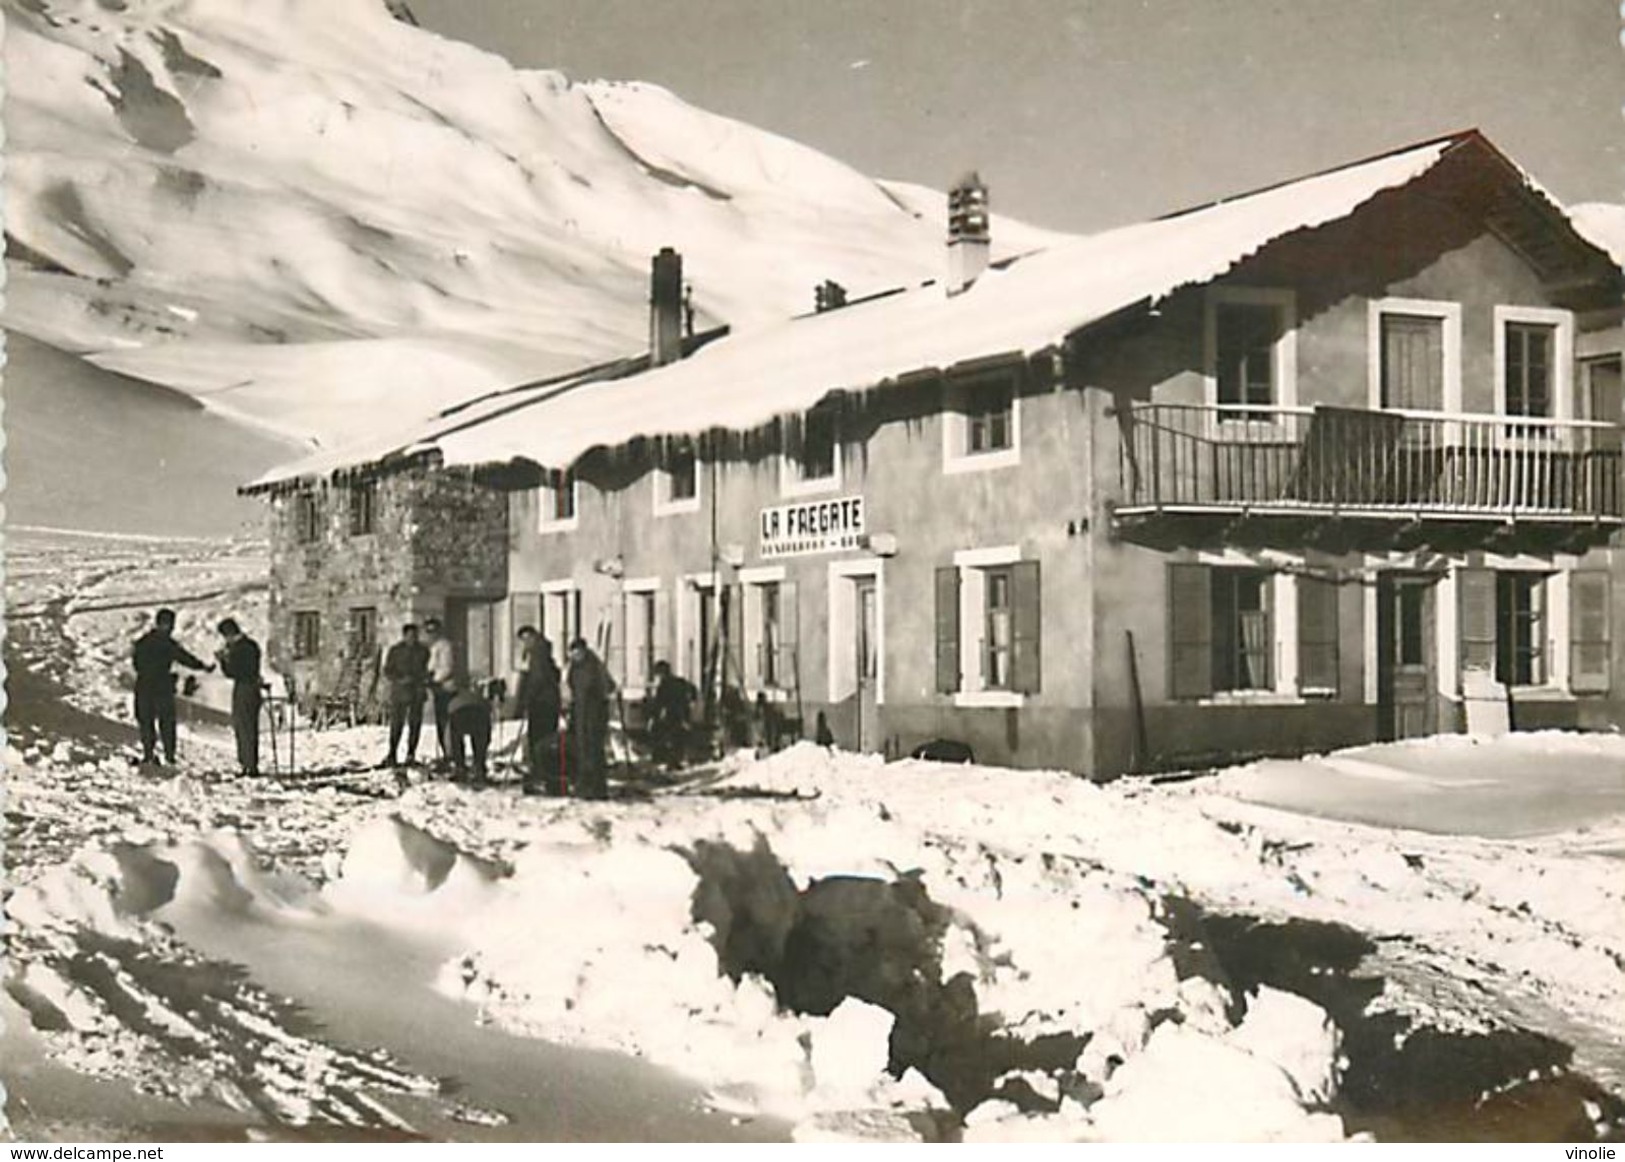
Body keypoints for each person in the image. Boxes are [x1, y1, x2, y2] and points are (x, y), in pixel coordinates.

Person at [131, 608, 212, 767]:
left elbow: (137, 664)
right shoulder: (167, 643)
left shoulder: (143, 641)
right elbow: (184, 658)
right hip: (161, 685)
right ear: (166, 624)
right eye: (170, 624)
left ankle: (149, 754)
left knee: (146, 721)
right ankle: (168, 756)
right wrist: (201, 666)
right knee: (166, 721)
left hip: (144, 685)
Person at [516, 627, 562, 794]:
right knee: (544, 740)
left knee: (539, 740)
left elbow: (537, 680)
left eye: (526, 639)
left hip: (542, 704)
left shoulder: (537, 654)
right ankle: (547, 777)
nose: (524, 643)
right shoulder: (541, 653)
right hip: (547, 702)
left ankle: (543, 777)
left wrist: (527, 699)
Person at [215, 618, 264, 777]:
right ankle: (250, 763)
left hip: (243, 687)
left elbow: (232, 672)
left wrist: (223, 660)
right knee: (250, 727)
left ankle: (247, 764)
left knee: (243, 727)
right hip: (253, 688)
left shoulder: (239, 649)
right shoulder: (251, 645)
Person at [566, 637, 612, 800]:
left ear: (584, 651)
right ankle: (584, 785)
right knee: (582, 750)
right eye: (573, 652)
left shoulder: (594, 666)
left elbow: (608, 687)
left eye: (578, 652)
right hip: (580, 713)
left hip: (594, 714)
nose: (575, 655)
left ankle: (597, 788)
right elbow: (572, 686)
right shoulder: (574, 668)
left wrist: (598, 704)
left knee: (594, 751)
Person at [382, 623, 430, 767]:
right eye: (409, 636)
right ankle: (392, 754)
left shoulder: (423, 651)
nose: (412, 639)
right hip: (400, 692)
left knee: (415, 725)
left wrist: (422, 679)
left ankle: (411, 754)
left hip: (416, 692)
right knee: (396, 724)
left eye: (414, 636)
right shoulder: (395, 651)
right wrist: (400, 679)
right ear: (404, 636)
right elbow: (388, 670)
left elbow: (428, 669)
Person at [644, 660, 696, 770]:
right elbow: (693, 689)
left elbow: (659, 702)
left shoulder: (664, 685)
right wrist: (692, 702)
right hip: (681, 714)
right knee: (677, 739)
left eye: (658, 673)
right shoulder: (680, 681)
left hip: (671, 714)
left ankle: (669, 761)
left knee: (667, 738)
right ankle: (676, 761)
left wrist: (653, 717)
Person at [445, 678, 495, 785]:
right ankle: (479, 766)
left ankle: (460, 767)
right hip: (480, 711)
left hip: (459, 712)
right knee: (479, 738)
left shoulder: (452, 691)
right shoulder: (480, 690)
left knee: (456, 738)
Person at [424, 617, 456, 762]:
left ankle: (450, 752)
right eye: (428, 631)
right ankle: (446, 751)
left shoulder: (444, 646)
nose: (431, 634)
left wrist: (434, 680)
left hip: (445, 688)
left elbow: (447, 668)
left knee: (446, 721)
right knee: (440, 720)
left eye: (433, 631)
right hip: (437, 689)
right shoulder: (432, 646)